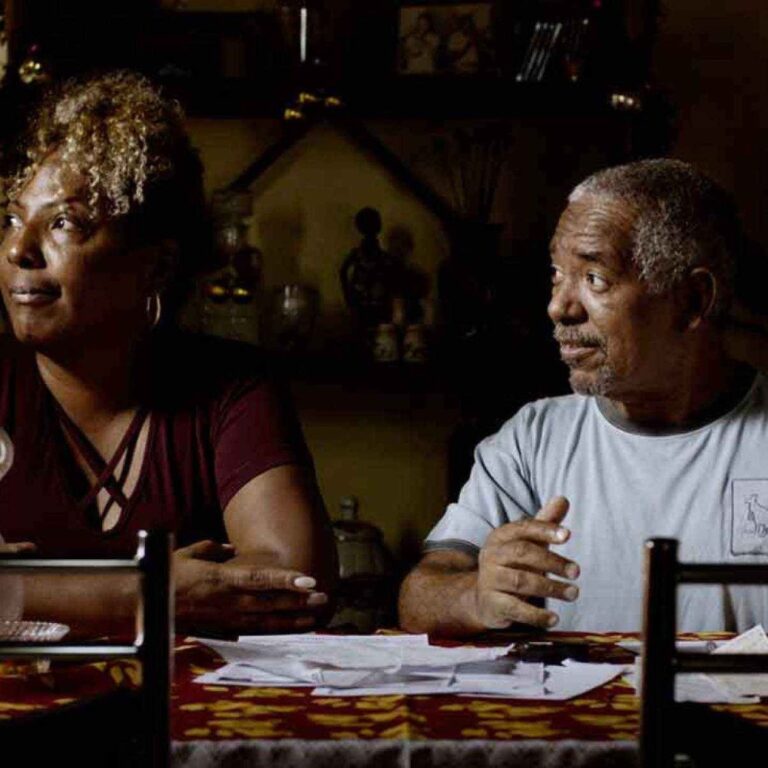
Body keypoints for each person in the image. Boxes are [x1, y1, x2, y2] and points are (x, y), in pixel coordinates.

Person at [0, 71, 336, 636]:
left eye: (64, 223)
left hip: (185, 718)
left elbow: (299, 584)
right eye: (11, 218)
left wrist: (24, 587)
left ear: (154, 265)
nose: (17, 248)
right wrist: (152, 590)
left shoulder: (232, 388)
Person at [399, 158, 768, 636]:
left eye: (595, 278)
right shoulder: (534, 440)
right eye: (557, 274)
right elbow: (419, 595)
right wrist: (476, 595)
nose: (559, 306)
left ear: (693, 300)